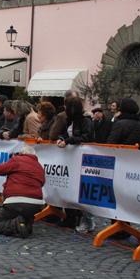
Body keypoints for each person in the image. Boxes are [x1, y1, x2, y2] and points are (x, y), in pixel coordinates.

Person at [56, 96, 96, 232]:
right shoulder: (70, 121)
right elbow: (64, 133)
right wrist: (61, 138)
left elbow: (87, 137)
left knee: (81, 189)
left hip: (81, 159)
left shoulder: (86, 121)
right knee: (68, 186)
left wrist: (68, 141)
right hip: (70, 159)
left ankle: (86, 218)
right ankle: (70, 217)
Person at [0, 146, 46, 239]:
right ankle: (27, 222)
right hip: (37, 203)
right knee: (28, 208)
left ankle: (15, 225)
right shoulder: (39, 166)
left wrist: (12, 160)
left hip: (15, 201)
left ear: (21, 154)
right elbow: (42, 182)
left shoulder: (16, 160)